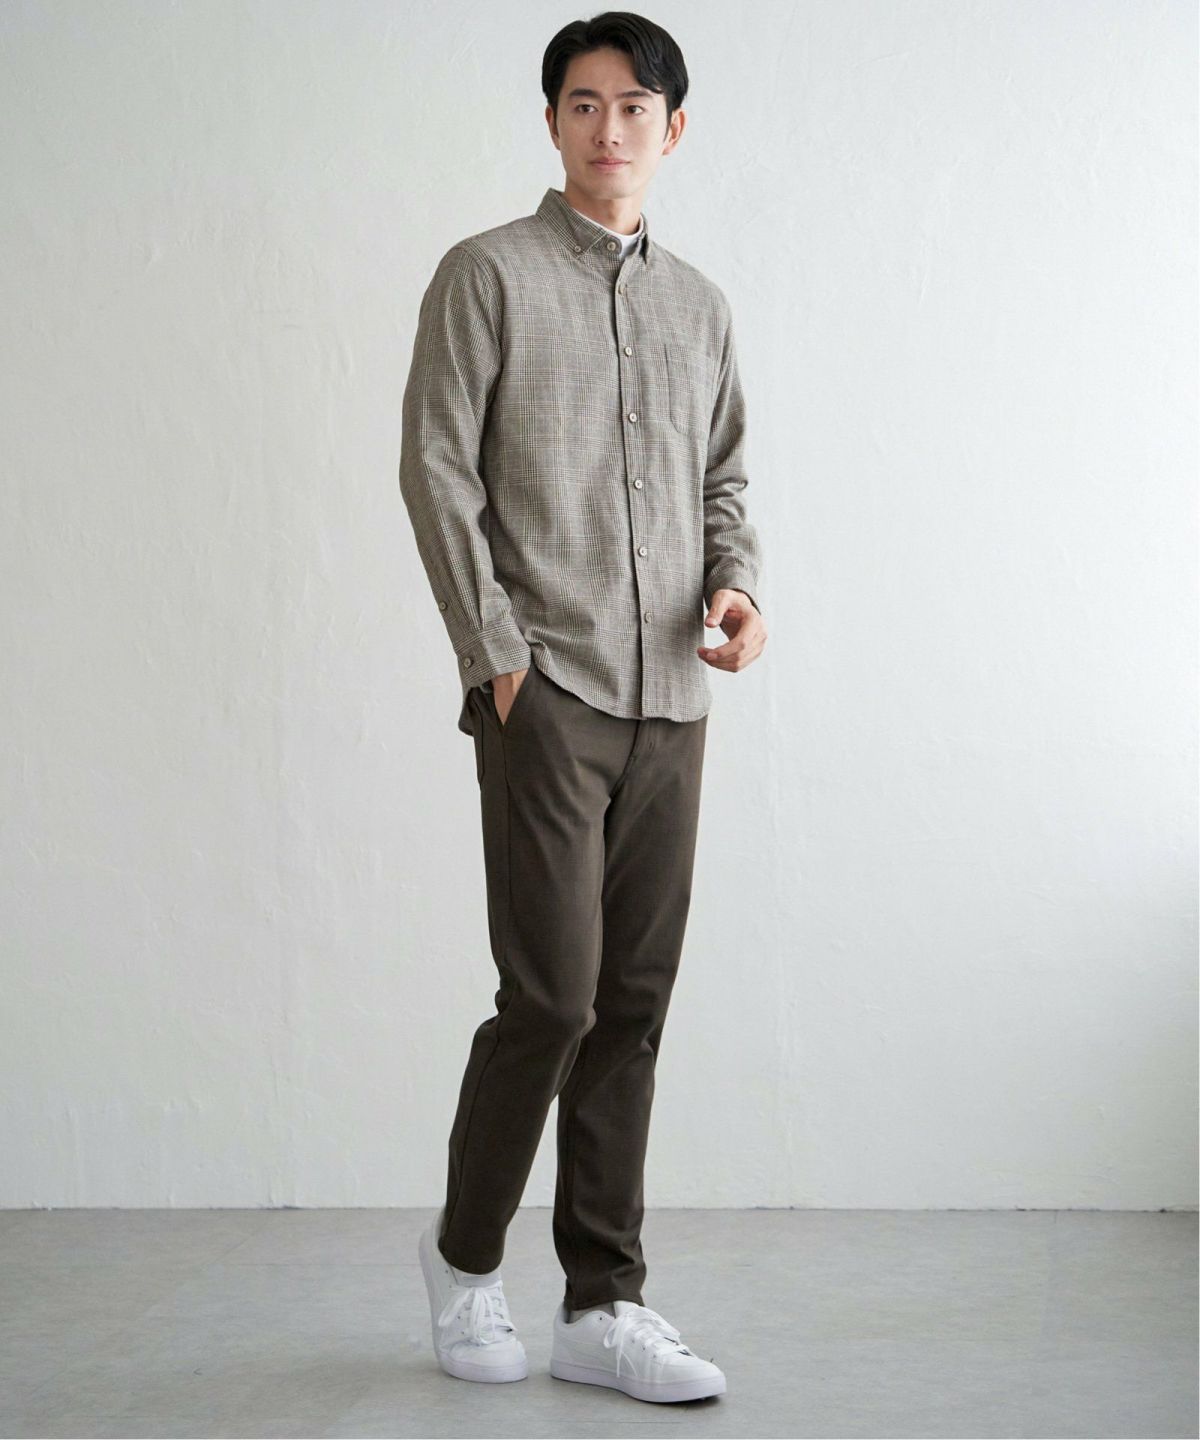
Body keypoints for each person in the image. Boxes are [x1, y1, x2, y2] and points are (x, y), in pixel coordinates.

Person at [399, 10, 766, 1406]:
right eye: (583, 103)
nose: (609, 128)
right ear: (552, 120)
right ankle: (465, 1261)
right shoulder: (486, 275)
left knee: (634, 1002)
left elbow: (724, 480)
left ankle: (603, 1302)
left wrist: (736, 587)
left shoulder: (703, 308)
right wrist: (497, 660)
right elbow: (438, 469)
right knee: (551, 995)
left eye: (635, 107)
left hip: (674, 694)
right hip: (545, 686)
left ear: (675, 130)